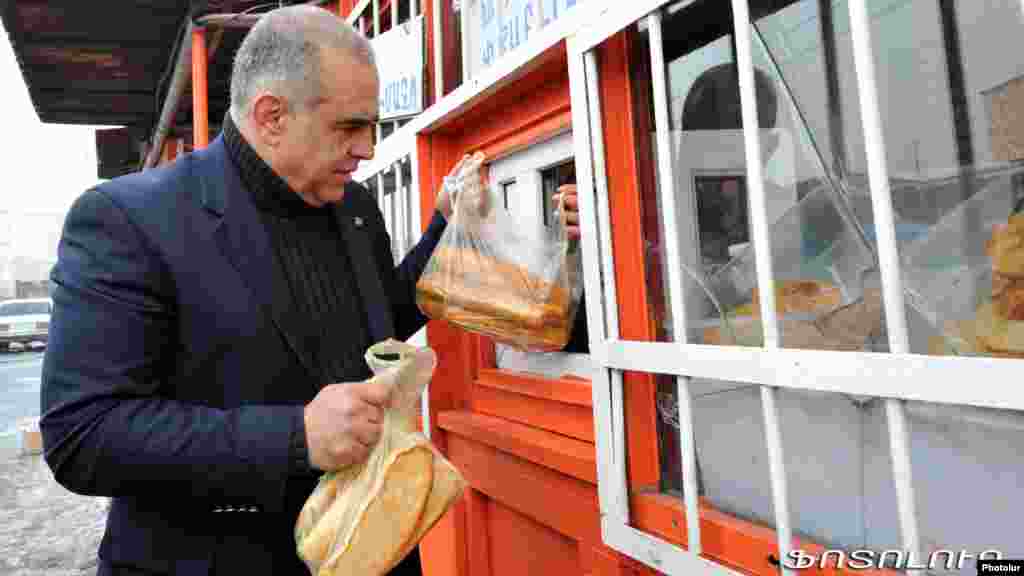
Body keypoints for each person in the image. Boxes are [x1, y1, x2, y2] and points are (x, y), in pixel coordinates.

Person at [39, 5, 579, 576]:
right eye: (349, 127)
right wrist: (295, 437)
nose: (368, 149)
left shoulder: (354, 209)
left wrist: (447, 230)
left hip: (367, 549)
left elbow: (378, 321)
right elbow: (83, 435)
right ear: (271, 116)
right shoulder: (129, 219)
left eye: (372, 127)